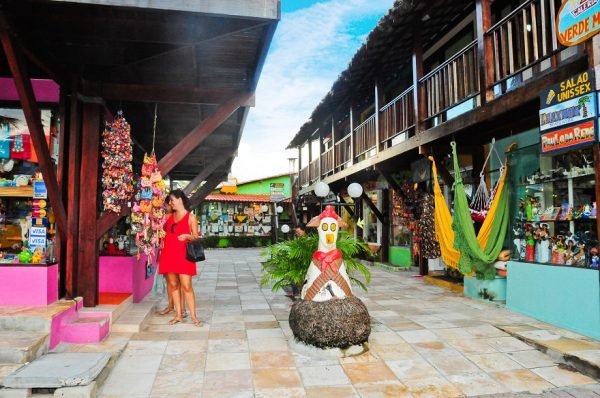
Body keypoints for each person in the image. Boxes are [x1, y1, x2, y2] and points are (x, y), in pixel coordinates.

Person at [159, 189, 202, 326]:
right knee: (173, 284)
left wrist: (187, 236)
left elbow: (196, 237)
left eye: (172, 200)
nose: (170, 203)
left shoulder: (191, 217)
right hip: (168, 254)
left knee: (186, 286)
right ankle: (178, 315)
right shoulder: (167, 217)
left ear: (180, 199)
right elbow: (160, 230)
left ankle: (194, 317)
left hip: (184, 255)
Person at [158, 201, 186, 317]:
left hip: (178, 251)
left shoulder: (179, 215)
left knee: (181, 282)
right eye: (166, 204)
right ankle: (171, 306)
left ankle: (182, 309)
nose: (166, 206)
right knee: (170, 282)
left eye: (168, 204)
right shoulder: (163, 217)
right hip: (166, 251)